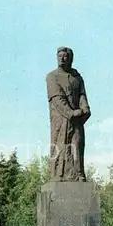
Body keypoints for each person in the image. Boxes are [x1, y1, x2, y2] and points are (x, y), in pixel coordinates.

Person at [45, 46, 91, 182]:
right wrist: (71, 113)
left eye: (65, 56)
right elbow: (57, 99)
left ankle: (79, 174)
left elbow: (82, 95)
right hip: (61, 120)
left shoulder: (77, 78)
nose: (62, 58)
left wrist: (85, 107)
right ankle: (58, 175)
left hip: (77, 120)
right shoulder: (52, 77)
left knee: (77, 145)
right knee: (60, 146)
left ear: (71, 58)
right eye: (59, 56)